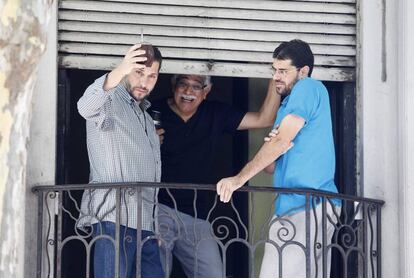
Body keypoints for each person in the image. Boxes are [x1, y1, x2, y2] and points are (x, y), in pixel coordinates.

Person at [216, 39, 341, 278]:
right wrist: (273, 143)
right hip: (292, 207)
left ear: (303, 72)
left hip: (309, 204)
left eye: (283, 71)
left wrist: (238, 179)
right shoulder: (286, 107)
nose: (276, 77)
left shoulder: (308, 87)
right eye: (274, 70)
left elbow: (281, 142)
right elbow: (272, 166)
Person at [151, 74, 281, 277]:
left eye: (196, 87)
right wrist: (147, 139)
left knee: (213, 274)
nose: (188, 92)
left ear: (206, 92)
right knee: (153, 272)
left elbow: (264, 118)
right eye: (183, 84)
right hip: (158, 210)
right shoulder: (152, 111)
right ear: (173, 86)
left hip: (198, 216)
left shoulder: (215, 113)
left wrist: (275, 76)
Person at [77, 43, 164, 278]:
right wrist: (120, 69)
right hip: (114, 219)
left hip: (146, 225)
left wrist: (155, 228)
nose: (144, 82)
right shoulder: (109, 101)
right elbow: (85, 107)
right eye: (138, 72)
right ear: (127, 70)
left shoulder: (146, 118)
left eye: (151, 76)